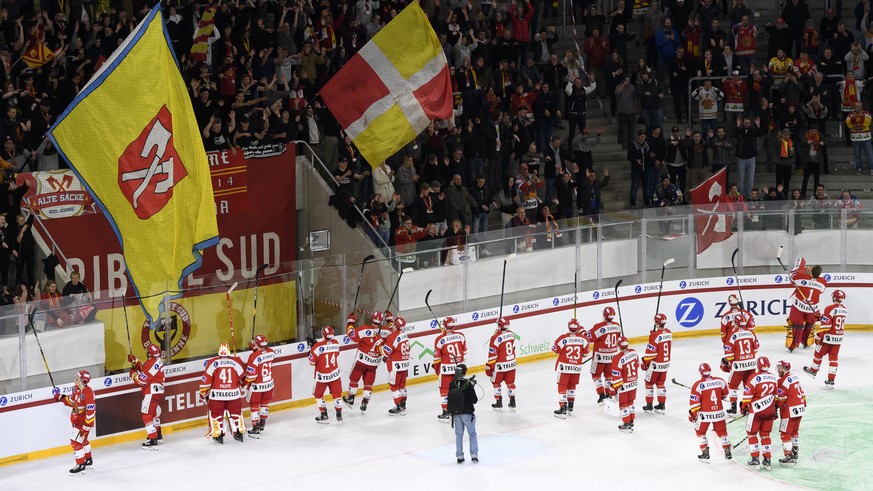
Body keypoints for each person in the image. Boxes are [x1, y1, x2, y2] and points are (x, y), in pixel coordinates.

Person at [199, 342, 246, 442]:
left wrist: (203, 393)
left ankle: (218, 434)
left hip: (216, 396)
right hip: (233, 395)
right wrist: (239, 361)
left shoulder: (212, 362)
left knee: (216, 414)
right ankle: (239, 432)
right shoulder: (235, 361)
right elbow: (243, 376)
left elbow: (206, 380)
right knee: (236, 413)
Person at [52, 370, 95, 475]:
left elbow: (91, 413)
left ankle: (80, 465)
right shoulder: (76, 389)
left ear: (83, 382)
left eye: (77, 379)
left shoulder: (88, 393)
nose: (74, 380)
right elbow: (72, 401)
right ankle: (88, 461)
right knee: (83, 440)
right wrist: (61, 397)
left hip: (83, 423)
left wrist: (86, 428)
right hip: (77, 421)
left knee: (75, 442)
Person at [689, 362, 732, 462]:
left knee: (700, 432)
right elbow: (725, 394)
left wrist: (693, 415)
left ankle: (705, 453)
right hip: (719, 413)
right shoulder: (720, 381)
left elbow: (695, 405)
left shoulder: (698, 385)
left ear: (700, 372)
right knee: (722, 432)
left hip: (705, 414)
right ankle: (727, 451)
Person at [804, 290, 847, 387]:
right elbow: (834, 320)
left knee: (818, 353)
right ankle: (831, 380)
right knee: (833, 358)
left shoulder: (829, 308)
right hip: (839, 337)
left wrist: (819, 335)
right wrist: (821, 317)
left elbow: (826, 326)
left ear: (834, 297)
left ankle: (813, 370)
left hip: (828, 337)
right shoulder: (845, 309)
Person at [343, 311, 384, 413]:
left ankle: (351, 398)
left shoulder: (365, 329)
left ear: (372, 320)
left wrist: (351, 322)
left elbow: (351, 335)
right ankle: (365, 402)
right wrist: (390, 320)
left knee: (354, 379)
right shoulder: (385, 331)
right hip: (373, 364)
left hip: (361, 361)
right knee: (368, 383)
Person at [741, 356, 778, 469]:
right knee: (766, 435)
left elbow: (747, 398)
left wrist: (743, 408)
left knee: (752, 434)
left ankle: (755, 459)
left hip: (756, 412)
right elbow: (776, 396)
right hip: (770, 410)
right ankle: (767, 459)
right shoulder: (773, 377)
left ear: (758, 366)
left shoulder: (754, 377)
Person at [551, 318, 591, 418]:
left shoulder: (563, 338)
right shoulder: (583, 339)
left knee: (562, 386)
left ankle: (563, 407)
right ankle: (571, 406)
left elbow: (555, 349)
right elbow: (586, 353)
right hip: (576, 367)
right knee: (572, 385)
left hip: (564, 367)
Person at [786, 258, 827, 352]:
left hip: (799, 306)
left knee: (796, 325)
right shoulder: (823, 282)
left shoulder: (801, 277)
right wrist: (811, 275)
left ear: (811, 271)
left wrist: (805, 273)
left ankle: (793, 344)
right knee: (809, 325)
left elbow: (793, 278)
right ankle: (806, 342)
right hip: (813, 309)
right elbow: (819, 288)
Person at [128, 344, 165, 449]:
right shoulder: (156, 361)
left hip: (151, 391)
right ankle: (158, 434)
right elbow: (145, 368)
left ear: (149, 353)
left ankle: (152, 439)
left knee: (146, 415)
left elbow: (141, 380)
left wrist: (133, 374)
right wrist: (135, 362)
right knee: (152, 413)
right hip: (157, 391)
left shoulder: (151, 363)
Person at [722, 312, 759, 415]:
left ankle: (733, 407)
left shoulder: (733, 335)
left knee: (733, 386)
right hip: (751, 364)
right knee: (749, 386)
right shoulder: (751, 333)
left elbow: (729, 355)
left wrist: (731, 362)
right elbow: (756, 348)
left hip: (739, 366)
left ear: (736, 323)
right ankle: (748, 405)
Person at [434, 316, 468, 422]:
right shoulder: (461, 336)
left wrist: (437, 369)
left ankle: (446, 412)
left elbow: (436, 359)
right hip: (459, 368)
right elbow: (465, 351)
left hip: (446, 369)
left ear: (444, 325)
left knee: (444, 390)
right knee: (459, 389)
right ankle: (460, 410)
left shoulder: (439, 339)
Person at [308, 326, 344, 424]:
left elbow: (312, 362)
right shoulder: (336, 343)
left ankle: (324, 415)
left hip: (322, 377)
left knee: (318, 395)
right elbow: (332, 352)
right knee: (337, 395)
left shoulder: (317, 347)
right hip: (335, 375)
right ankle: (339, 415)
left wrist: (312, 348)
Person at [588, 306, 622, 405]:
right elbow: (619, 338)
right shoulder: (617, 326)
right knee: (609, 376)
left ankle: (601, 395)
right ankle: (608, 395)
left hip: (599, 357)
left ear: (604, 315)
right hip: (612, 356)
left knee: (596, 375)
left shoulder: (598, 327)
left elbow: (589, 338)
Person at [244, 334, 276, 437]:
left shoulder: (253, 356)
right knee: (265, 403)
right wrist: (256, 350)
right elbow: (263, 356)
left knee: (254, 405)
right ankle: (262, 424)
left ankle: (255, 428)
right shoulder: (272, 352)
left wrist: (245, 382)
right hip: (269, 384)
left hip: (257, 385)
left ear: (257, 344)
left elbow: (251, 375)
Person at [775, 360, 806, 465]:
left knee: (785, 433)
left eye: (780, 368)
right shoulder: (795, 377)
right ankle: (795, 452)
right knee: (794, 431)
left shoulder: (782, 381)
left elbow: (782, 398)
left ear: (785, 369)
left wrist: (774, 407)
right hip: (800, 407)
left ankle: (788, 455)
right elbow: (802, 392)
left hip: (790, 410)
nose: (778, 370)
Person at [606, 336, 639, 433]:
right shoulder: (634, 352)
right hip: (634, 383)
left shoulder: (617, 358)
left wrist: (613, 388)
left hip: (624, 386)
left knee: (623, 404)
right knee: (631, 402)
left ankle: (626, 424)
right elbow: (638, 365)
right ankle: (631, 420)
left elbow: (617, 379)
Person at [642, 313, 672, 414]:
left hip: (655, 364)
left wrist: (645, 362)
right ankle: (661, 405)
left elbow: (651, 353)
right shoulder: (669, 333)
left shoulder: (655, 335)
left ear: (656, 322)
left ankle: (649, 405)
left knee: (649, 383)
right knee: (661, 383)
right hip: (665, 364)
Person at [449, 363, 479, 464]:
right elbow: (474, 400)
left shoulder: (452, 383)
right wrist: (471, 386)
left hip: (456, 413)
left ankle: (459, 456)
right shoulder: (467, 384)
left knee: (458, 434)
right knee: (472, 434)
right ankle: (474, 455)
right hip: (467, 413)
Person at [380, 316, 411, 415]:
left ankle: (399, 405)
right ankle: (403, 404)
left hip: (395, 366)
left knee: (394, 386)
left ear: (395, 325)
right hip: (404, 364)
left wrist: (378, 344)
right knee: (402, 385)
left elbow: (385, 352)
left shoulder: (392, 337)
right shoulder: (405, 335)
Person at [486, 317, 517, 411]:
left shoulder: (494, 338)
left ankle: (498, 402)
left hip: (500, 365)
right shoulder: (512, 334)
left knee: (496, 382)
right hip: (511, 363)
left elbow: (493, 355)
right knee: (510, 383)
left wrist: (489, 367)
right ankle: (512, 401)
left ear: (499, 325)